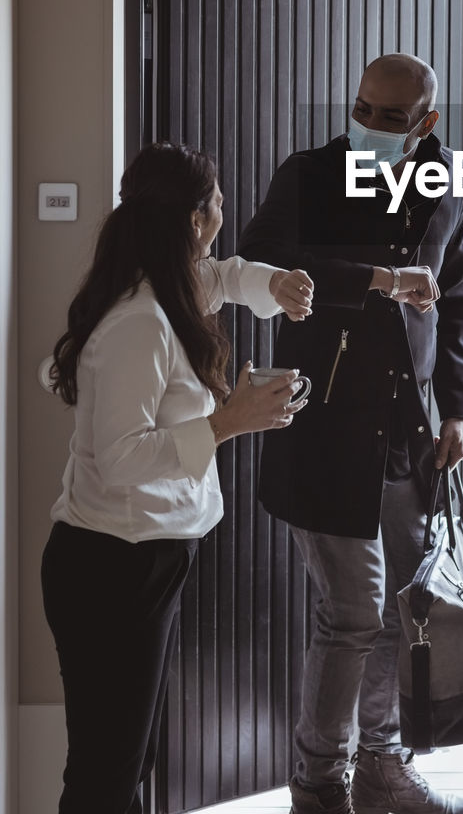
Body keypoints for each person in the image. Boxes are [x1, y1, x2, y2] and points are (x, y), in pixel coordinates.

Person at [238, 54, 463, 814]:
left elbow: (459, 299)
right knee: (352, 614)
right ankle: (317, 783)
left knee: (397, 614)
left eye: (390, 117)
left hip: (408, 435)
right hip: (320, 430)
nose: (370, 126)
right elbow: (266, 261)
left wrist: (459, 408)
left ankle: (381, 767)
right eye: (362, 109)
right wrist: (376, 280)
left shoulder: (447, 186)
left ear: (427, 124)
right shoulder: (309, 175)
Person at [41, 141, 314, 814]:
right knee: (106, 774)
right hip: (112, 568)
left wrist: (272, 284)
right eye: (218, 202)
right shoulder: (142, 321)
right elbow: (124, 458)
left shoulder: (165, 283)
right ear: (195, 218)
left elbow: (223, 276)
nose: (224, 210)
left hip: (138, 559)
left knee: (126, 762)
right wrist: (229, 420)